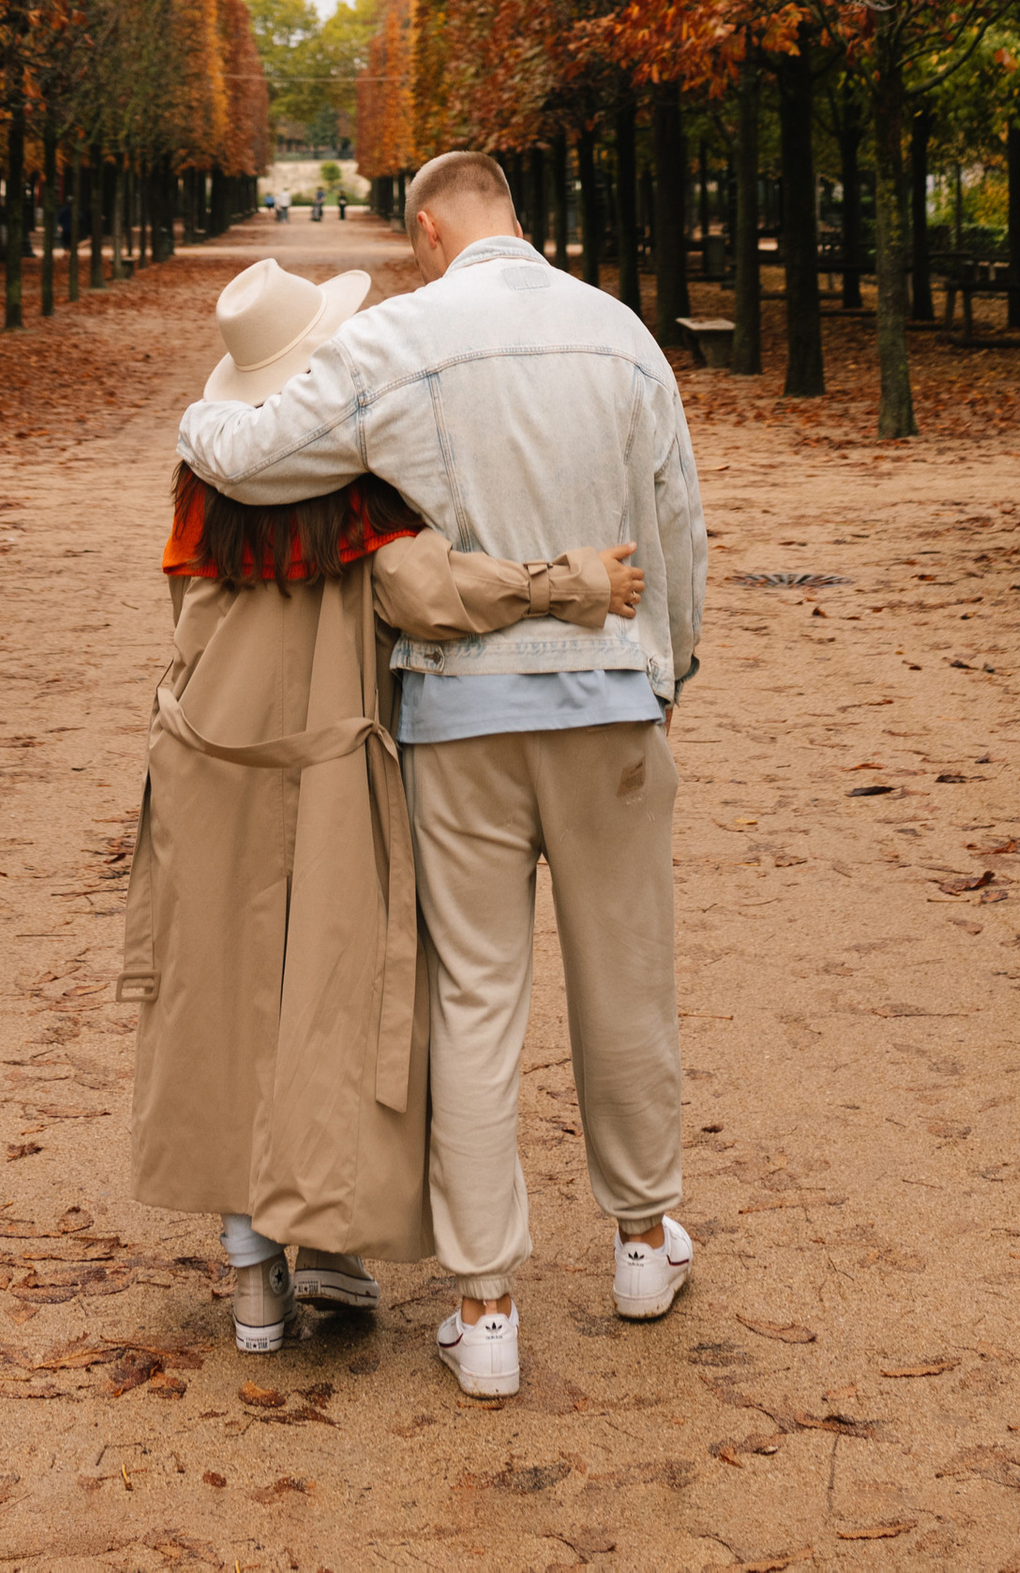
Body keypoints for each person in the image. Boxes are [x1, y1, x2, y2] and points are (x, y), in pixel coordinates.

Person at [176, 151, 705, 1406]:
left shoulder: (400, 341)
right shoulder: (622, 335)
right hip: (606, 700)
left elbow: (249, 458)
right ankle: (641, 1245)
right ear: (514, 216)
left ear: (426, 229)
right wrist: (664, 668)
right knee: (627, 978)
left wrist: (199, 410)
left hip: (460, 714)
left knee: (474, 1000)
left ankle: (487, 1307)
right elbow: (675, 519)